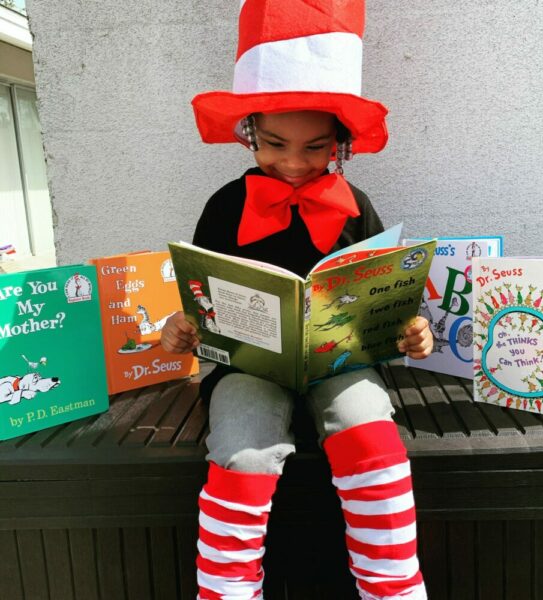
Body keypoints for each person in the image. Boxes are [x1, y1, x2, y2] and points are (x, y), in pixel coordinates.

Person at [162, 2, 432, 599]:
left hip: (342, 361)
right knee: (242, 453)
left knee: (372, 434)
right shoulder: (224, 206)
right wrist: (180, 327)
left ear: (340, 144)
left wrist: (414, 328)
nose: (292, 163)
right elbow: (197, 294)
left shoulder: (355, 204)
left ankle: (393, 587)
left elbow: (391, 291)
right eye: (275, 143)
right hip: (248, 367)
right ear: (249, 132)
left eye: (315, 148)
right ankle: (227, 591)